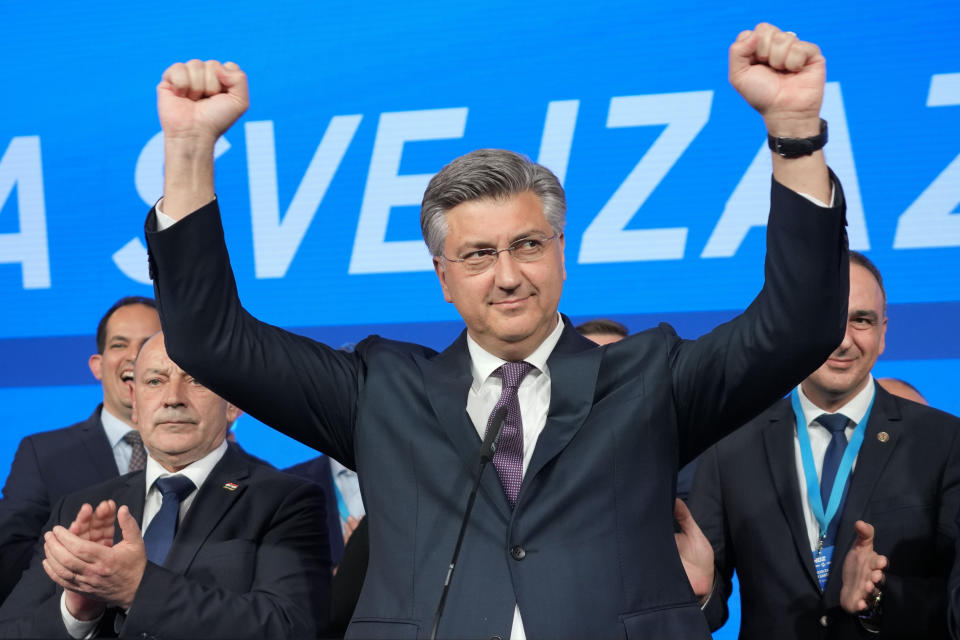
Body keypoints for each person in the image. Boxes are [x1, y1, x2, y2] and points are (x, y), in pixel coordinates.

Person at [144, 23, 848, 638]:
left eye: (529, 246)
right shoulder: (382, 391)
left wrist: (794, 134)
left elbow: (796, 326)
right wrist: (188, 149)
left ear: (562, 255)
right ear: (443, 278)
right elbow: (211, 338)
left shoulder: (647, 379)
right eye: (479, 255)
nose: (508, 275)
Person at [688, 252, 960, 638]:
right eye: (827, 318)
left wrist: (881, 598)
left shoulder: (944, 442)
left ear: (883, 334)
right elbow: (706, 601)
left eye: (861, 321)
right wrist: (693, 594)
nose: (844, 340)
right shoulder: (730, 446)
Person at [0, 332, 330, 638]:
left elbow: (290, 626)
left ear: (233, 402)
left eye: (196, 380)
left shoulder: (284, 500)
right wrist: (76, 612)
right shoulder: (78, 508)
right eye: (155, 381)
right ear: (136, 402)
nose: (173, 398)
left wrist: (138, 589)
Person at [0, 296, 161, 604]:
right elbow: (11, 558)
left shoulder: (202, 453)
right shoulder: (43, 453)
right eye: (119, 345)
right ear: (97, 366)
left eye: (148, 343)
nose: (134, 356)